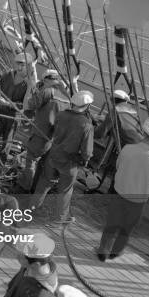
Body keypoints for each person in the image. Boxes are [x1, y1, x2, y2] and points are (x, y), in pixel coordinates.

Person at [97, 117, 149, 261]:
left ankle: (103, 251)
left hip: (119, 194)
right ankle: (116, 251)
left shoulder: (127, 149)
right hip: (138, 200)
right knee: (127, 228)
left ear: (144, 133)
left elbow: (118, 167)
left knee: (111, 224)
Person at [30, 90, 95, 223]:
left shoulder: (60, 115)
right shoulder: (86, 125)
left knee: (44, 182)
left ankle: (32, 208)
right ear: (87, 106)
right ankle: (60, 218)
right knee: (65, 190)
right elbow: (87, 151)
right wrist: (85, 161)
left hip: (53, 156)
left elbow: (54, 131)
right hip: (69, 163)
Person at [18, 69, 71, 192]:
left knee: (31, 161)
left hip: (41, 135)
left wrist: (33, 92)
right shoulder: (67, 96)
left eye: (43, 80)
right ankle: (35, 188)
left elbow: (30, 104)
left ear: (47, 79)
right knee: (44, 166)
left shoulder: (47, 91)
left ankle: (25, 186)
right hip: (55, 139)